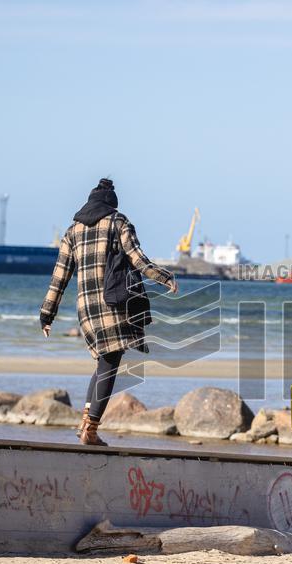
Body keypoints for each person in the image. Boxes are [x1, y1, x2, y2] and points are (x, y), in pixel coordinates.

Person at [40, 178, 177, 446]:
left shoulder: (72, 231)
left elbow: (59, 277)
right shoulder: (118, 222)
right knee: (110, 363)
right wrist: (165, 277)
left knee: (104, 361)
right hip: (112, 303)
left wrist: (47, 314)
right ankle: (90, 430)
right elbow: (137, 259)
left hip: (86, 309)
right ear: (111, 204)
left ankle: (86, 425)